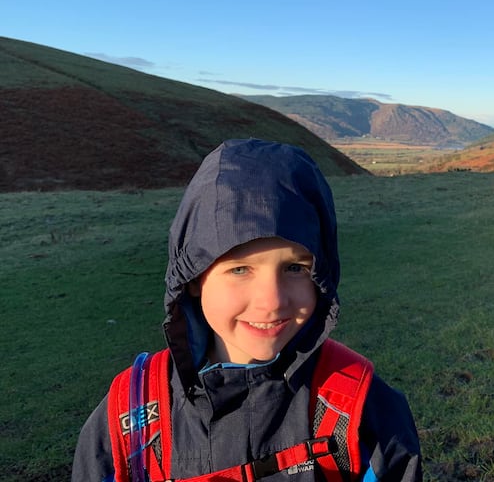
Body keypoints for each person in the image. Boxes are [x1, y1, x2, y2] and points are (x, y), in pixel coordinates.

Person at [72, 138, 422, 482]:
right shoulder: (127, 417)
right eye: (240, 269)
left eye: (295, 268)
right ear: (193, 276)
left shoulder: (363, 409)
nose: (271, 301)